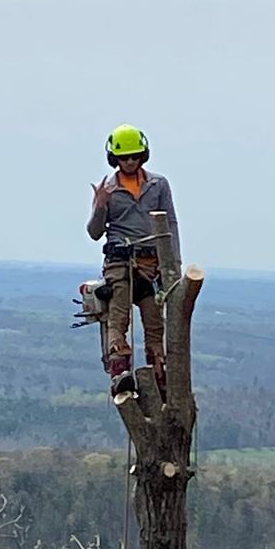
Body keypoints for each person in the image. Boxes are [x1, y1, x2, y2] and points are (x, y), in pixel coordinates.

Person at [87, 125, 178, 385]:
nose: (129, 162)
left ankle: (159, 371)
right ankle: (119, 370)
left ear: (143, 155)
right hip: (119, 259)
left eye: (134, 156)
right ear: (114, 159)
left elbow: (170, 224)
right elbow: (94, 232)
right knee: (119, 313)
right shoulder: (107, 188)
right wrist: (100, 206)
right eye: (124, 157)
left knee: (153, 319)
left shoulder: (158, 185)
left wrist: (173, 262)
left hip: (150, 262)